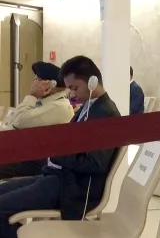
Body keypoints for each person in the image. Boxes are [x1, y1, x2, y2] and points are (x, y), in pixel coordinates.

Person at [0, 55, 121, 238]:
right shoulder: (89, 108)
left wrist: (54, 153)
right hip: (56, 176)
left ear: (92, 82)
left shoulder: (106, 114)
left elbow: (94, 163)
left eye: (74, 88)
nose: (71, 94)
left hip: (70, 187)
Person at [0, 62, 74, 179]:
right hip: (20, 152)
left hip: (33, 160)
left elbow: (18, 121)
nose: (33, 83)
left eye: (37, 80)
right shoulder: (45, 102)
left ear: (51, 85)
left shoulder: (60, 107)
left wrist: (32, 95)